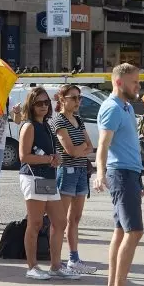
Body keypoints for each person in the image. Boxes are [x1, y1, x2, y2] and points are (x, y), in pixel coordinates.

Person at [94, 63, 144, 286]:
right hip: (121, 174)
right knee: (134, 232)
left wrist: (137, 178)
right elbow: (103, 145)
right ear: (119, 82)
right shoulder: (113, 108)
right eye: (134, 82)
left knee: (120, 231)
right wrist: (100, 174)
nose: (138, 85)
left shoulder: (126, 107)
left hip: (129, 174)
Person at [18, 87, 78, 280]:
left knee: (60, 221)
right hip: (33, 176)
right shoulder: (29, 126)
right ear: (31, 105)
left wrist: (54, 159)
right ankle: (32, 266)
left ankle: (55, 265)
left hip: (48, 177)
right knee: (34, 223)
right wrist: (49, 159)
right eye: (39, 103)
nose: (44, 106)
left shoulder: (47, 125)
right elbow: (23, 157)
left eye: (46, 103)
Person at [49, 85, 97, 275]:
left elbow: (90, 147)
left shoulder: (77, 119)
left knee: (75, 218)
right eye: (74, 98)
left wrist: (81, 149)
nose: (78, 102)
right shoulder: (58, 121)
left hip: (80, 171)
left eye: (79, 98)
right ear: (62, 99)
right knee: (60, 220)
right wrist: (81, 149)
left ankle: (73, 259)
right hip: (66, 171)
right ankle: (56, 263)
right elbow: (70, 150)